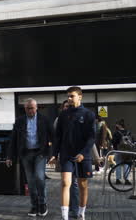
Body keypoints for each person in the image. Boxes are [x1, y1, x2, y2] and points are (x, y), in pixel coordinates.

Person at [50, 86, 95, 220]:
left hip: (83, 155)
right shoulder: (63, 115)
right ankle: (65, 216)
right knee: (65, 183)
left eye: (72, 96)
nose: (69, 99)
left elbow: (91, 137)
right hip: (66, 154)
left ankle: (81, 213)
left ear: (80, 97)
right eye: (68, 96)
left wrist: (83, 153)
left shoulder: (88, 114)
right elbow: (58, 137)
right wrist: (54, 154)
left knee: (82, 185)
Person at [6, 98, 53, 217]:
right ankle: (34, 205)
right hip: (26, 154)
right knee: (31, 182)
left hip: (40, 153)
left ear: (36, 108)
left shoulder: (44, 120)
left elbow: (53, 137)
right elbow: (13, 139)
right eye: (27, 108)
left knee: (39, 177)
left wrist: (53, 154)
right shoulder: (20, 121)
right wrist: (9, 156)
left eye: (32, 108)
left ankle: (42, 204)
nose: (30, 110)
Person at [112, 119, 133, 186]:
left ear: (119, 125)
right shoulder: (129, 132)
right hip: (127, 151)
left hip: (118, 151)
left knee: (118, 164)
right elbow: (132, 141)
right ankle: (126, 179)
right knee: (126, 165)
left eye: (116, 124)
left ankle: (118, 179)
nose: (115, 125)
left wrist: (115, 149)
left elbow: (113, 142)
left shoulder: (116, 133)